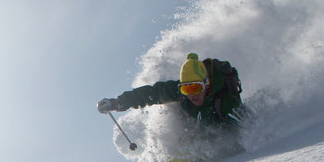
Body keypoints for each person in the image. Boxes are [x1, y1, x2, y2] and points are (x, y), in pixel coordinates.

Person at [97, 53, 244, 125]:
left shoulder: (226, 102)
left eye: (195, 87)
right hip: (198, 128)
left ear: (206, 84)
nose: (191, 94)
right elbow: (150, 93)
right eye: (186, 89)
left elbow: (248, 126)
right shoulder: (179, 93)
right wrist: (117, 103)